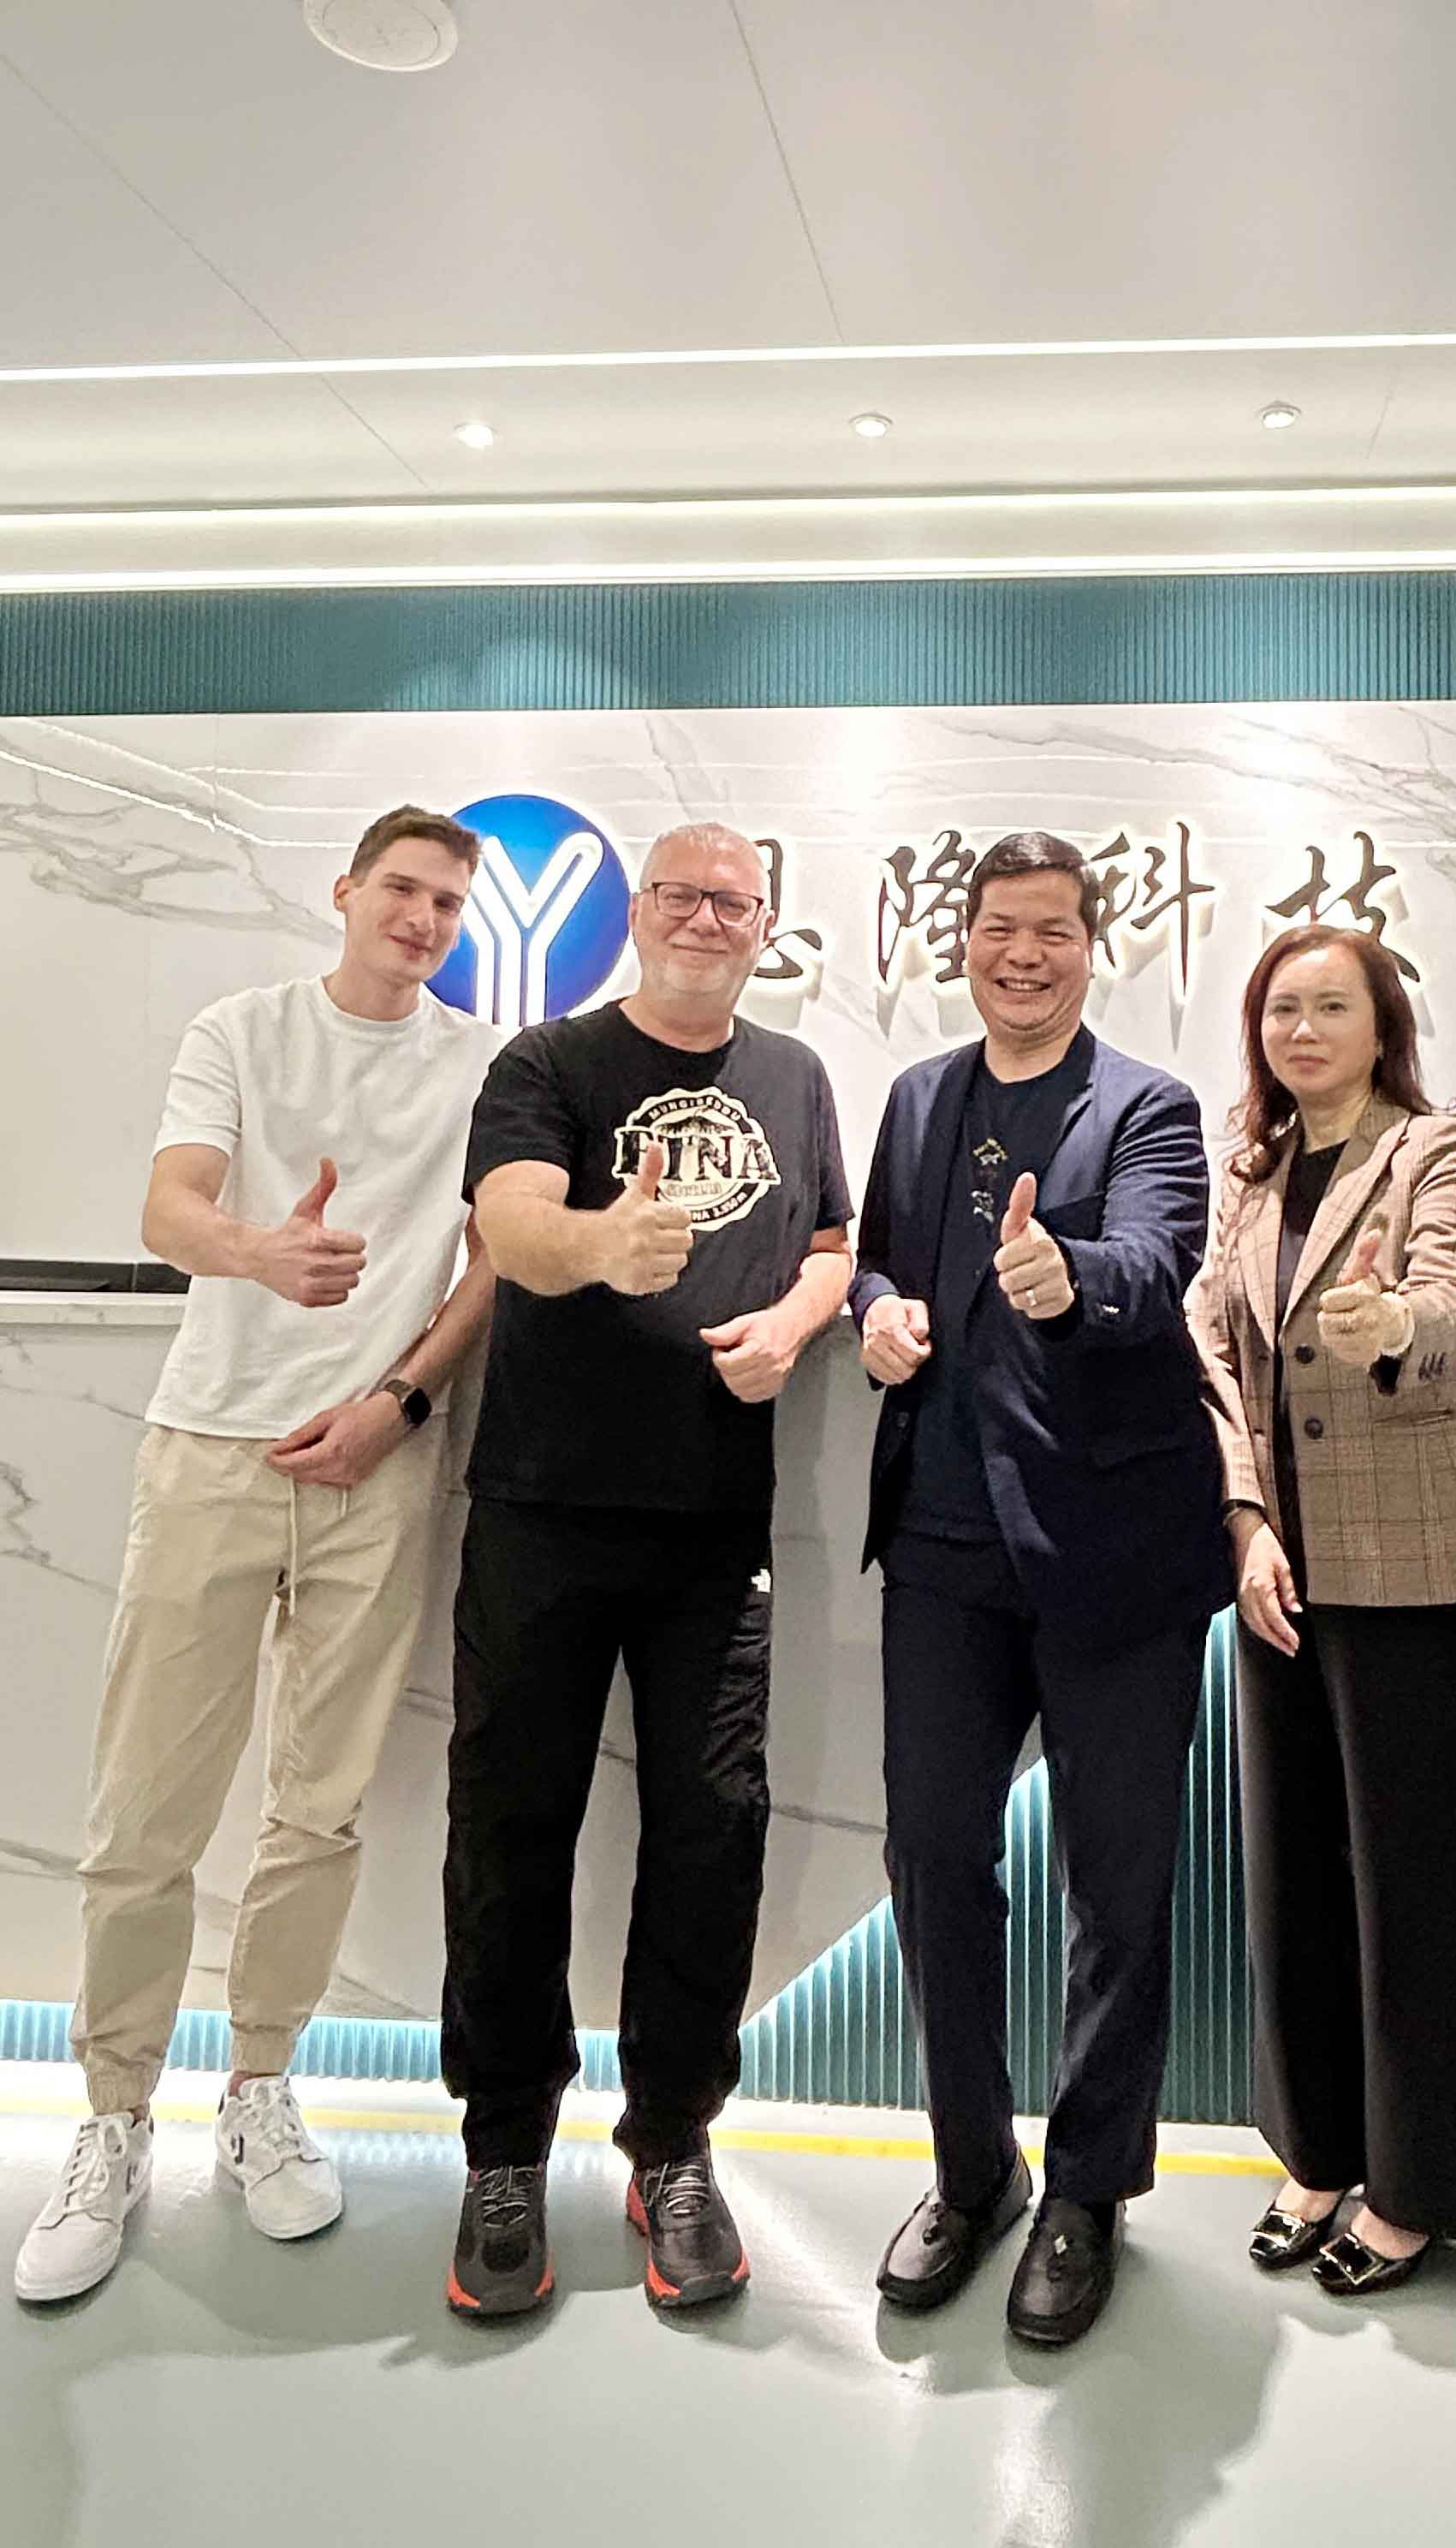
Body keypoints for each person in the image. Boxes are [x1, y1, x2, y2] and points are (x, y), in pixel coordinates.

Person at [15, 806, 497, 2307]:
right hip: (212, 1451)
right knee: (143, 1810)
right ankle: (111, 2119)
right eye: (401, 890)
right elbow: (171, 1203)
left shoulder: (483, 1065)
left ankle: (262, 2088)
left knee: (320, 1806)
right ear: (345, 892)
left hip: (376, 1465)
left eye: (447, 903)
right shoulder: (243, 1028)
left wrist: (398, 1401)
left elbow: (490, 1261)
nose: (422, 920)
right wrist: (257, 1252)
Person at [441, 819, 853, 2319]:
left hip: (714, 1528)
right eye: (680, 894)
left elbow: (831, 1238)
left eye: (733, 901)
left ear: (764, 922)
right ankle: (504, 2150)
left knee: (710, 1834)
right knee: (510, 1826)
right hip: (541, 1510)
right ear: (635, 910)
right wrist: (600, 1248)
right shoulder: (547, 1062)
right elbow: (509, 1226)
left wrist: (795, 1327)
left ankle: (672, 2139)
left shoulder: (795, 1075)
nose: (705, 919)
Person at [853, 830, 1229, 2349]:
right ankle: (972, 2170)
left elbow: (1153, 1260)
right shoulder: (918, 1097)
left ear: (1092, 946)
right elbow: (878, 1260)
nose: (1023, 955)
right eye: (1000, 928)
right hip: (942, 1549)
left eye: (1052, 931)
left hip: (1114, 1554)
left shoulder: (1148, 1104)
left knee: (1117, 1892)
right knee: (934, 1862)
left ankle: (1087, 2191)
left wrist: (1070, 1281)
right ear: (963, 940)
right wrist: (877, 1313)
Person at [1187, 923, 1456, 2297]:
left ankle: (1413, 2187)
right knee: (1293, 1880)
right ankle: (1318, 2152)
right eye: (1282, 1008)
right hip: (1282, 1569)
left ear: (1383, 1025)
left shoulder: (1435, 1146)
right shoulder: (1250, 1170)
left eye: (1332, 1006)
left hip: (1414, 1568)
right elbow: (1214, 1354)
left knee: (1412, 1892)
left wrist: (1395, 1325)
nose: (1303, 1030)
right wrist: (1245, 1521)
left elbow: (1449, 1297)